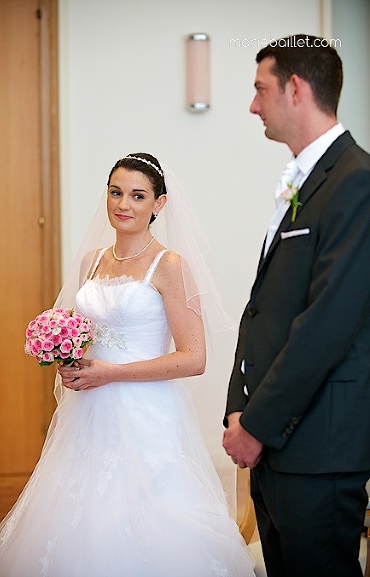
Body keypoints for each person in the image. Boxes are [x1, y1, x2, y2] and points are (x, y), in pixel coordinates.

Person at [0, 154, 255, 576]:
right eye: (116, 192)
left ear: (159, 204)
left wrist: (109, 373)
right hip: (88, 410)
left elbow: (194, 358)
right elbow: (88, 332)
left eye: (137, 195)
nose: (123, 205)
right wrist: (69, 359)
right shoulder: (91, 262)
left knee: (146, 514)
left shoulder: (168, 266)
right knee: (77, 510)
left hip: (145, 412)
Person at [223, 34, 370, 577]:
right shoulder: (306, 181)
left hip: (318, 445)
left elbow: (327, 323)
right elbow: (264, 307)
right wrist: (238, 404)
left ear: (296, 88)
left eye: (261, 89)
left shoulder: (356, 182)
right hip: (281, 444)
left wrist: (255, 425)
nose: (253, 105)